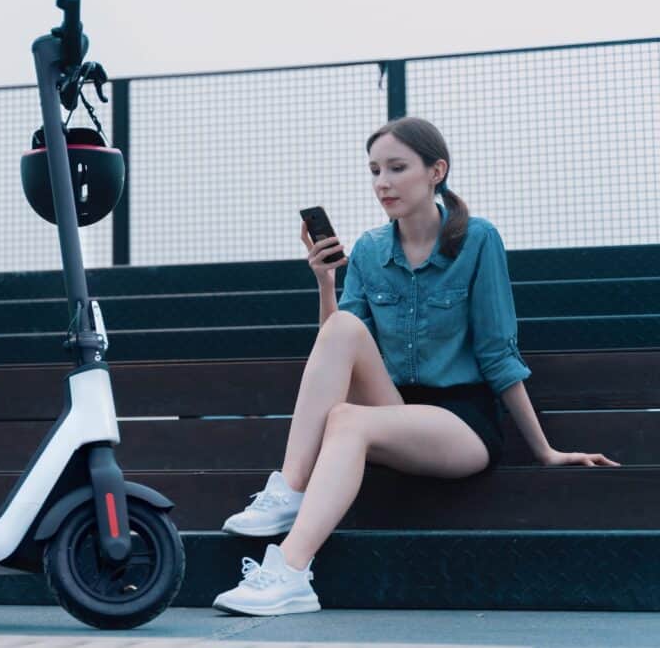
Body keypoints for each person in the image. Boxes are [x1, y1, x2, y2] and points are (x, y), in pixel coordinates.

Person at [211, 116, 620, 617]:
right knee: (342, 329)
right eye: (375, 170)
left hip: (459, 424)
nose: (382, 182)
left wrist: (546, 450)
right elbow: (338, 345)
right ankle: (291, 490)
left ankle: (290, 570)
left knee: (346, 419)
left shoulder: (477, 240)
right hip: (394, 407)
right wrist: (325, 283)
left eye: (397, 168)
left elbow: (498, 354)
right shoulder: (368, 249)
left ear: (436, 171)